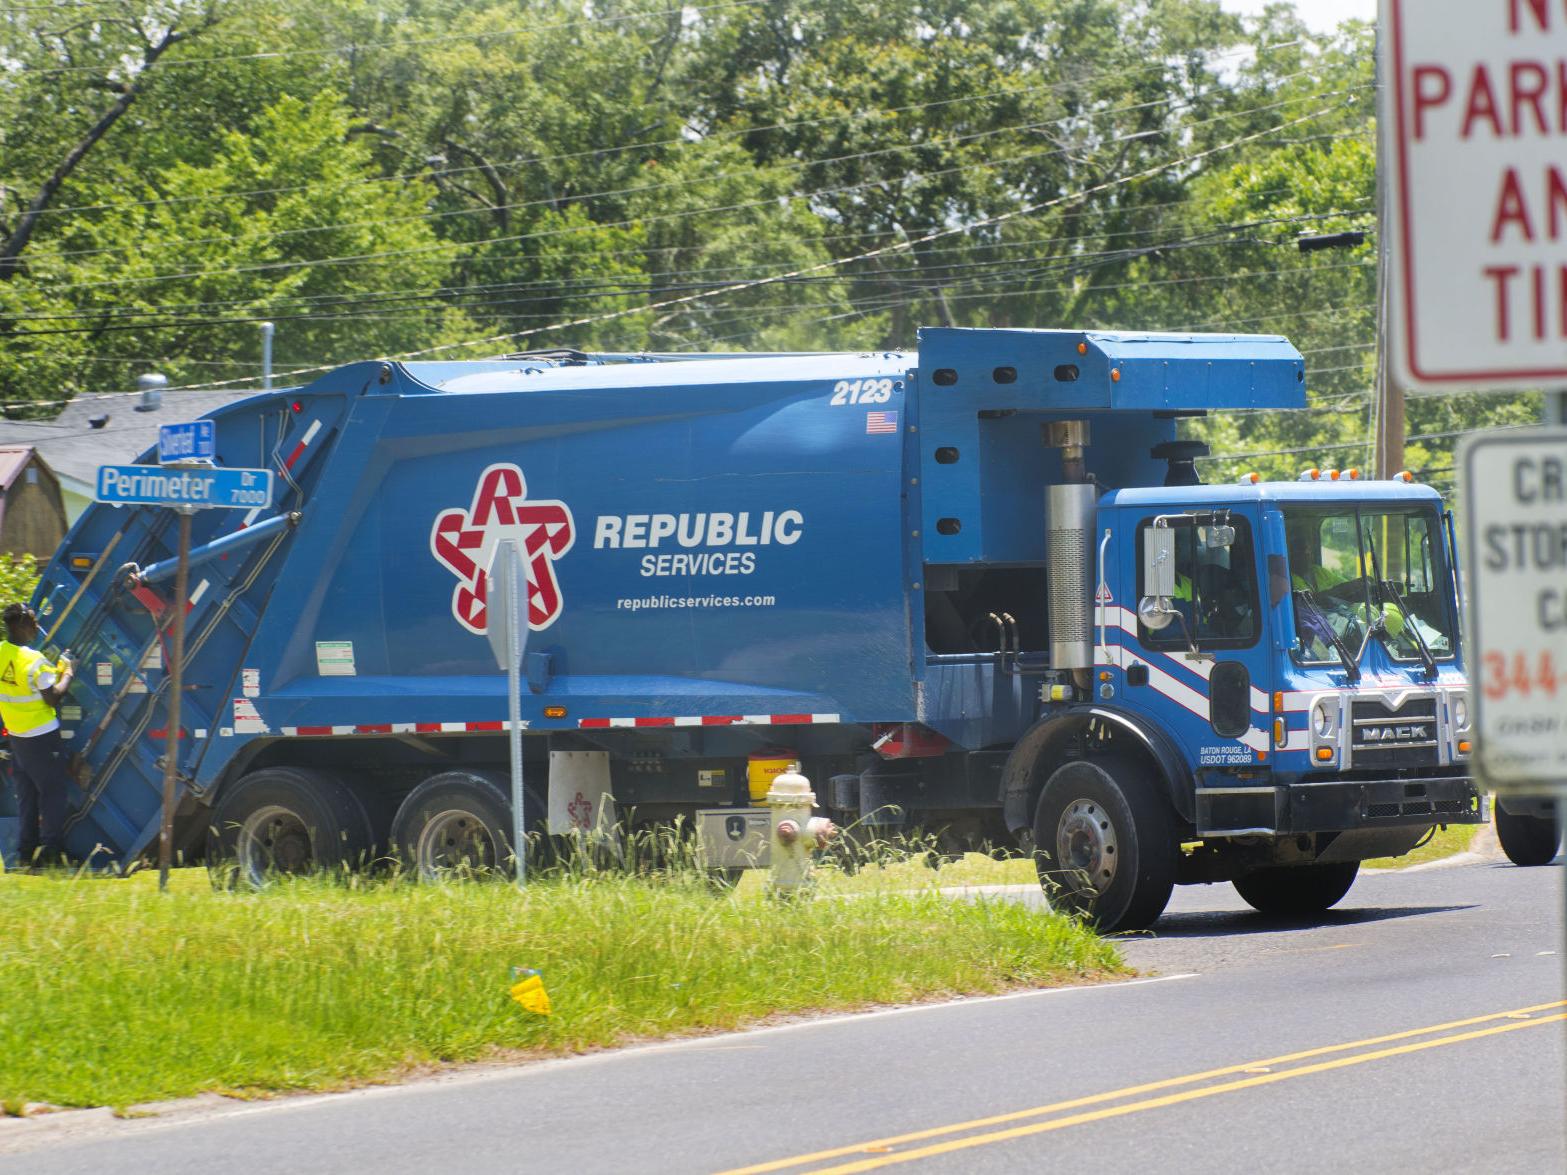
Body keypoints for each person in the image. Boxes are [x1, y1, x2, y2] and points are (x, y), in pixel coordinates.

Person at [1, 602, 75, 867]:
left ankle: (24, 853)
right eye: (33, 622)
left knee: (28, 796)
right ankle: (52, 853)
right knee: (52, 793)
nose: (37, 627)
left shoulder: (1, 653)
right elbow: (52, 697)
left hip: (18, 737)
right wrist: (67, 673)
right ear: (20, 625)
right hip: (42, 738)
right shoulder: (33, 661)